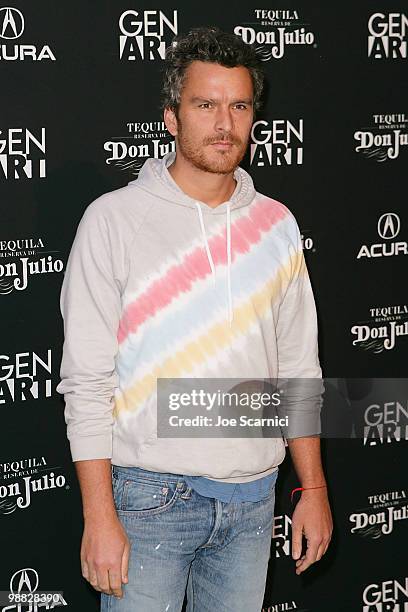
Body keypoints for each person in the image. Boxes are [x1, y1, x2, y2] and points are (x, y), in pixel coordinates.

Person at [56, 26, 333, 612]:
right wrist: (98, 515)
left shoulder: (278, 225)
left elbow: (297, 369)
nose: (223, 123)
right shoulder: (113, 221)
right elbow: (86, 382)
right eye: (205, 105)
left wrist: (313, 487)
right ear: (172, 117)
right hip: (146, 500)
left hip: (255, 501)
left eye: (238, 106)